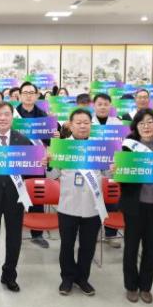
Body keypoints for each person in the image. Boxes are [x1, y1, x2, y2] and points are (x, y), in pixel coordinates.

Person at [0, 102, 39, 293]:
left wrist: (41, 161)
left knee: (14, 236)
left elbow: (31, 168)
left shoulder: (23, 140)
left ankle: (9, 274)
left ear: (12, 117)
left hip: (15, 196)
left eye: (6, 114)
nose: (2, 118)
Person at [115, 108, 153, 304]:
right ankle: (131, 286)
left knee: (150, 248)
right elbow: (122, 177)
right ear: (136, 126)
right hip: (134, 205)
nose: (146, 126)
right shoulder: (128, 146)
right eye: (142, 123)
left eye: (150, 122)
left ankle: (146, 287)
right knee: (131, 247)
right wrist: (117, 170)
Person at [49, 109, 103, 296]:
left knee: (88, 246)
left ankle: (82, 278)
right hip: (68, 206)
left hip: (93, 206)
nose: (82, 126)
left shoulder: (99, 148)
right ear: (70, 126)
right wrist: (48, 162)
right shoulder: (62, 147)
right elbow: (52, 175)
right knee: (67, 245)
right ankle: (67, 278)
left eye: (86, 122)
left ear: (91, 125)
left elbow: (109, 173)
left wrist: (115, 166)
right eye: (78, 123)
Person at [17, 81, 59, 249]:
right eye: (25, 93)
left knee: (37, 195)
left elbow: (50, 141)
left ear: (36, 96)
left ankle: (37, 233)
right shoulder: (13, 115)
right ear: (20, 96)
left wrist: (54, 135)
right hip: (17, 160)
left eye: (31, 93)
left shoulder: (44, 116)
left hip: (37, 161)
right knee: (16, 195)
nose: (28, 96)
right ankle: (15, 229)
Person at [90, 93, 124, 249]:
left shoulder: (117, 124)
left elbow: (123, 145)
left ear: (110, 106)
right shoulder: (88, 122)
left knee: (112, 199)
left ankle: (111, 234)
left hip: (112, 166)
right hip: (93, 165)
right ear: (94, 106)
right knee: (92, 199)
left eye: (106, 104)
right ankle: (92, 233)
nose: (103, 107)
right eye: (99, 104)